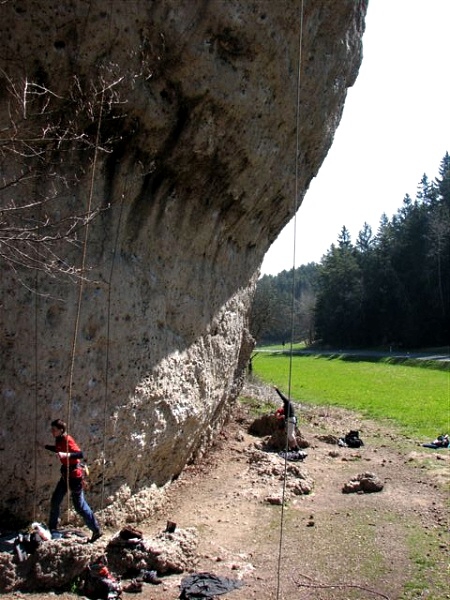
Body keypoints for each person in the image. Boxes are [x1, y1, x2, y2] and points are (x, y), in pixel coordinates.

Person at [45, 418, 102, 542]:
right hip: (66, 475)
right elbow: (59, 449)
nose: (52, 432)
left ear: (61, 430)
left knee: (79, 506)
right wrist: (46, 447)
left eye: (54, 430)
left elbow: (79, 454)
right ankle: (52, 529)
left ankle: (96, 530)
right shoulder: (59, 439)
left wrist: (67, 455)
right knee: (55, 500)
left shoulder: (67, 439)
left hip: (74, 477)